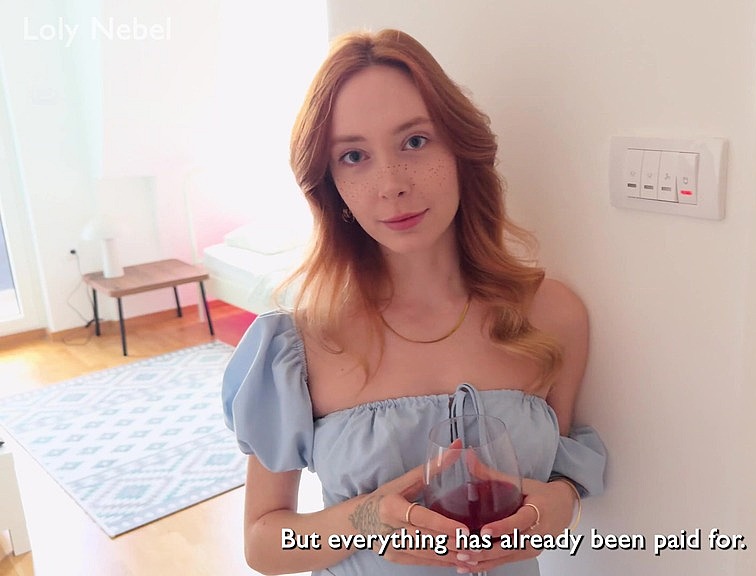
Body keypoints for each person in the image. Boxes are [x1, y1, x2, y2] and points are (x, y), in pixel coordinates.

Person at [222, 29, 606, 576]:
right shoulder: (299, 343)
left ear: (459, 150)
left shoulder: (552, 315)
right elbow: (264, 545)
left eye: (415, 141)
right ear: (332, 185)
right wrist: (365, 520)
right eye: (354, 156)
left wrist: (563, 502)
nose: (391, 184)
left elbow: (557, 472)